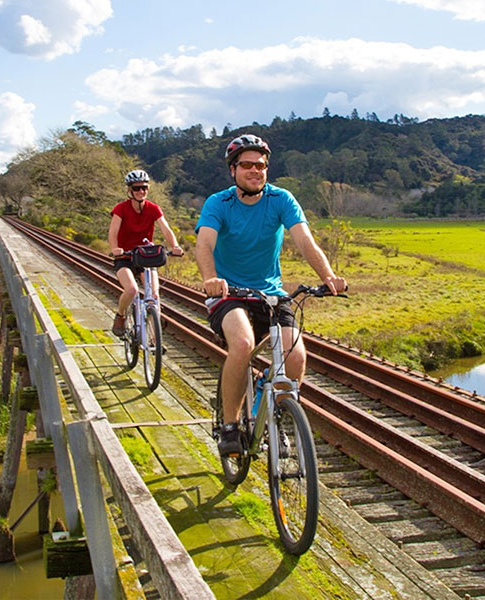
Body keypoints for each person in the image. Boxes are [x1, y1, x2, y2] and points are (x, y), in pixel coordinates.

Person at [195, 134, 346, 456]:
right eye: (247, 165)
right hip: (230, 293)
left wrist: (328, 275)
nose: (255, 171)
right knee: (244, 344)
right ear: (233, 170)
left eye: (261, 165)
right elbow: (205, 243)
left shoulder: (281, 199)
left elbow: (305, 240)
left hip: (272, 293)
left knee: (295, 358)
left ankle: (274, 414)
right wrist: (210, 278)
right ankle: (231, 426)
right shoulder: (217, 203)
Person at [108, 169, 183, 337]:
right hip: (125, 258)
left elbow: (166, 229)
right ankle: (120, 316)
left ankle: (155, 340)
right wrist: (115, 249)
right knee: (132, 290)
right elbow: (113, 232)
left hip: (145, 257)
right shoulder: (121, 209)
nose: (141, 191)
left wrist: (175, 245)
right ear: (129, 191)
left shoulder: (153, 208)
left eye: (144, 188)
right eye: (137, 188)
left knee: (154, 295)